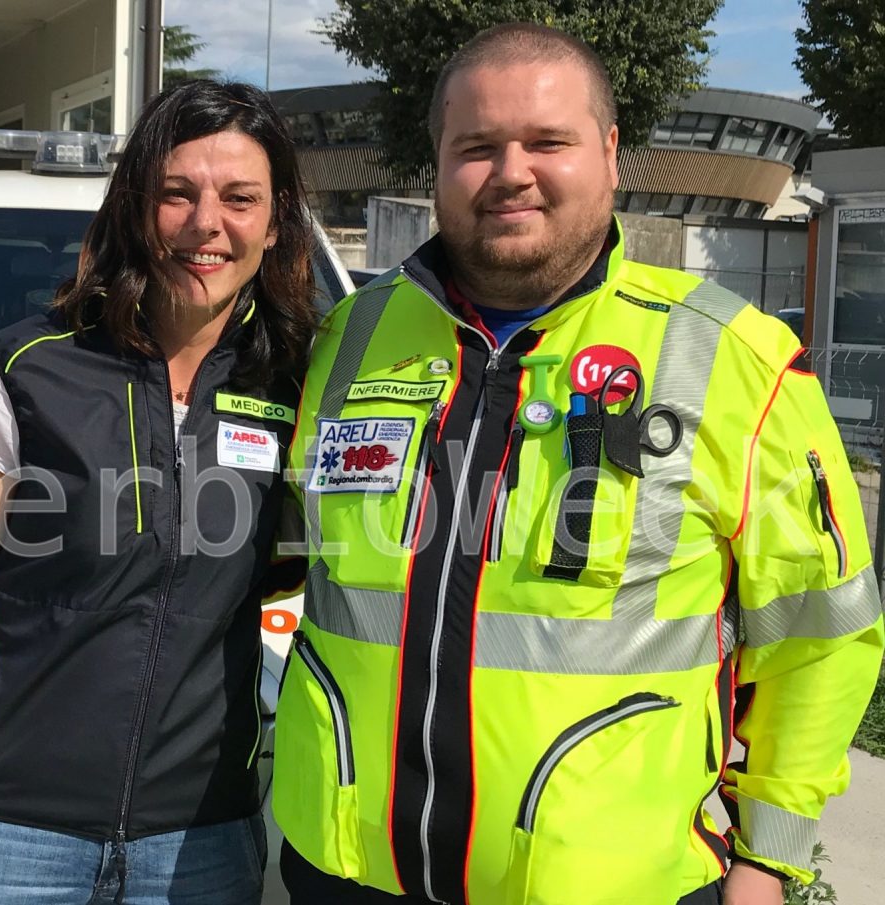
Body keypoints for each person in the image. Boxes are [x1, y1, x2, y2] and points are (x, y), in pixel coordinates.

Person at [271, 22, 884, 905]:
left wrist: (769, 860)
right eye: (475, 146)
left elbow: (821, 637)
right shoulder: (349, 339)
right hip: (347, 874)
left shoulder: (733, 361)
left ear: (608, 153)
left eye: (546, 142)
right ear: (437, 164)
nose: (510, 171)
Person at [0, 79, 317, 905]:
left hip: (201, 845)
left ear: (276, 219)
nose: (205, 224)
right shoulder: (24, 370)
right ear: (137, 206)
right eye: (176, 193)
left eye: (239, 198)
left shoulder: (301, 385)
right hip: (7, 840)